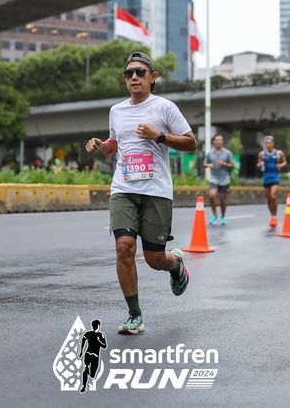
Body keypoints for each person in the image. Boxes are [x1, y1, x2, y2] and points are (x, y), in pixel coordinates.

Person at [85, 51, 197, 335]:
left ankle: (175, 264)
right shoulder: (116, 110)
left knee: (154, 259)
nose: (134, 77)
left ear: (152, 77)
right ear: (125, 79)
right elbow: (115, 143)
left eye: (140, 72)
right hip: (123, 188)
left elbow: (191, 142)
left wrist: (158, 136)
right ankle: (134, 315)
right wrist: (101, 145)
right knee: (124, 247)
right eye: (129, 73)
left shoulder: (165, 108)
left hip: (156, 191)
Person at [257, 135, 287, 229]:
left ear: (273, 143)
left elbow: (285, 162)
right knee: (269, 198)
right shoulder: (262, 154)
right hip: (266, 178)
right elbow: (258, 164)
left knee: (273, 196)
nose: (267, 144)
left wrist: (281, 165)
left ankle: (274, 217)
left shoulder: (279, 153)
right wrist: (260, 164)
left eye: (269, 143)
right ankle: (272, 216)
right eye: (266, 143)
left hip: (275, 177)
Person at [204, 134, 235, 225]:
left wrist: (225, 164)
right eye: (217, 140)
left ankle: (223, 216)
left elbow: (233, 165)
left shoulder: (227, 153)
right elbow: (205, 163)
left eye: (220, 140)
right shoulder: (210, 153)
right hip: (214, 178)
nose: (218, 141)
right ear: (214, 142)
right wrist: (209, 165)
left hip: (224, 179)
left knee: (222, 200)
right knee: (211, 195)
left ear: (222, 142)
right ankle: (214, 215)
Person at [78, 319, 107, 394]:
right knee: (88, 370)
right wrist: (81, 351)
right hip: (92, 355)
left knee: (91, 374)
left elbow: (104, 346)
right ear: (98, 326)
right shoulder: (95, 334)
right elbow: (104, 346)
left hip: (91, 355)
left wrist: (81, 351)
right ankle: (84, 386)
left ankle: (87, 374)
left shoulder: (97, 334)